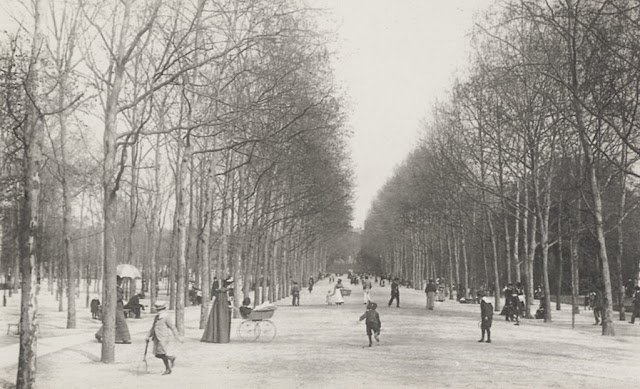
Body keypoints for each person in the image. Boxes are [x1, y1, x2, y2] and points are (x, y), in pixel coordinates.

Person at [146, 301, 181, 375]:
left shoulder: (166, 317)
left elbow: (172, 327)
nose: (158, 311)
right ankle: (171, 358)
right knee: (157, 355)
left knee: (161, 354)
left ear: (163, 309)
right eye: (157, 310)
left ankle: (168, 369)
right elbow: (153, 327)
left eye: (160, 310)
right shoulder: (156, 317)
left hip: (163, 338)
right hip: (156, 338)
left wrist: (177, 337)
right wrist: (148, 335)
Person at [95, 276, 131, 344]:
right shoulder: (114, 288)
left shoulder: (118, 288)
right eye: (120, 281)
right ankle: (125, 338)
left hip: (119, 307)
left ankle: (99, 334)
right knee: (121, 322)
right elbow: (113, 298)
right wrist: (120, 297)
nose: (121, 282)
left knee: (113, 322)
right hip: (116, 307)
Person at [201, 277, 232, 343]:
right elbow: (226, 301)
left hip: (221, 309)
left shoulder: (221, 292)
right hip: (223, 310)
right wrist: (228, 305)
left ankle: (218, 337)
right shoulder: (224, 292)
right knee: (222, 322)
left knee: (218, 320)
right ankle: (221, 338)